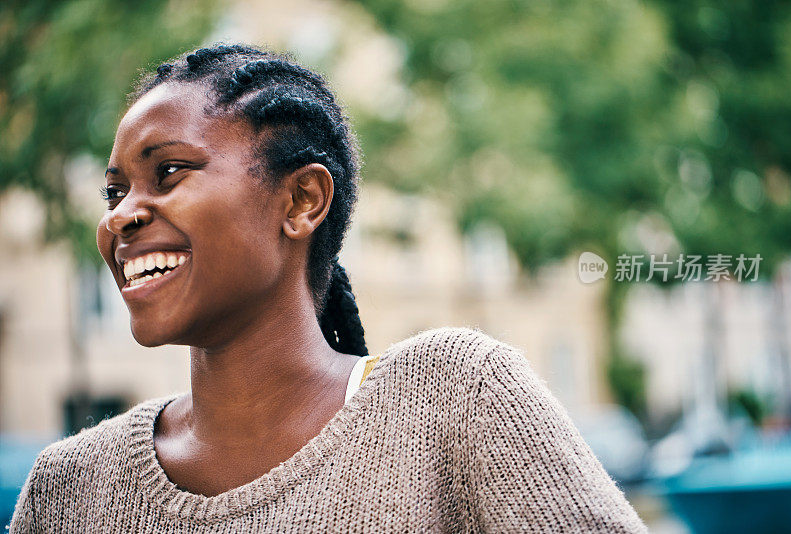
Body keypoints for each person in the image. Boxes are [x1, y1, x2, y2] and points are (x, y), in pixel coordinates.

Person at [10, 44, 648, 533]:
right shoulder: (71, 490)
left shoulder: (454, 399)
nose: (120, 216)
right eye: (114, 192)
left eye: (170, 171)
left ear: (302, 199)